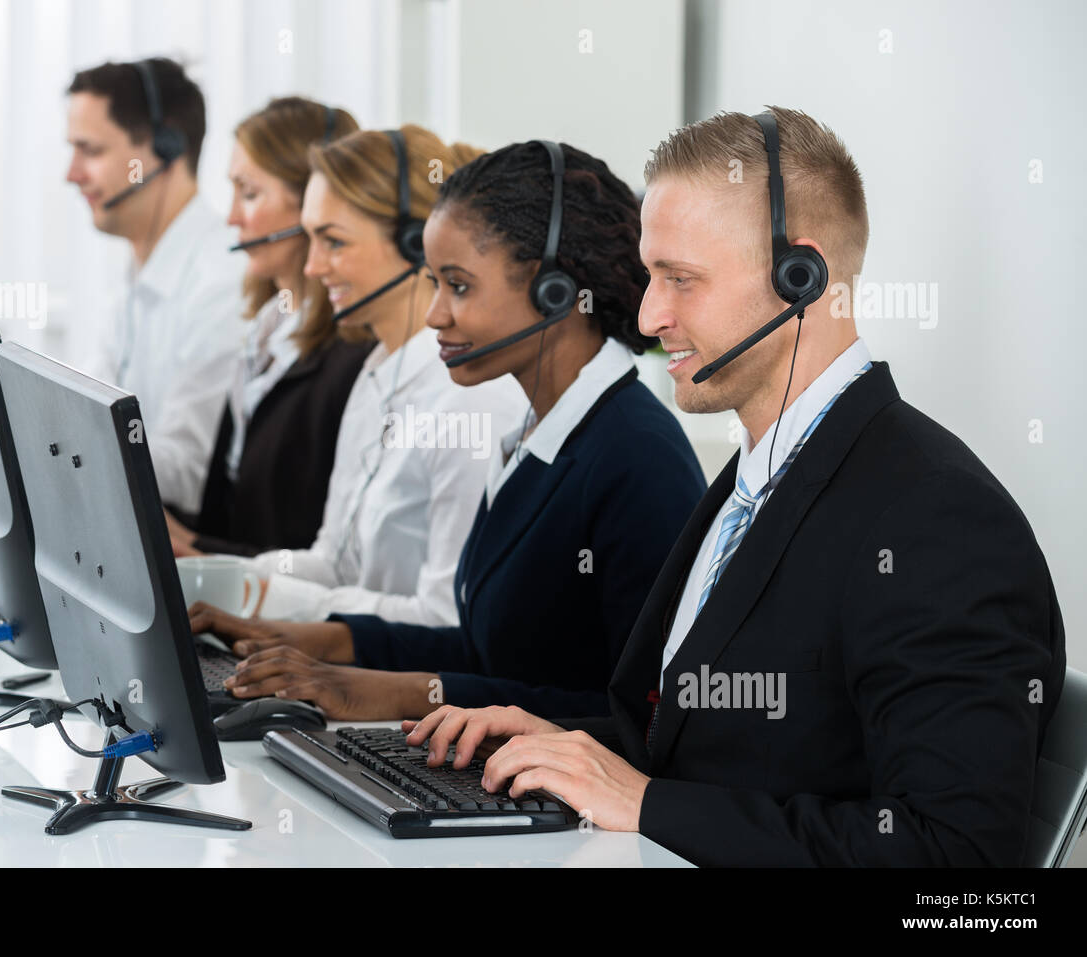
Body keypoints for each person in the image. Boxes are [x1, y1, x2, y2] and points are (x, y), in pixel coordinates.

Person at [403, 107, 1066, 867]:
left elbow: (958, 859)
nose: (650, 316)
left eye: (680, 279)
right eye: (651, 276)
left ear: (800, 278)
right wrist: (570, 743)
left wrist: (644, 801)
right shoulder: (751, 481)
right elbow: (717, 751)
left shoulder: (938, 520)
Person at [188, 141, 705, 720]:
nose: (434, 314)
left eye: (458, 286)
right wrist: (316, 642)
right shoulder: (535, 436)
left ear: (554, 292)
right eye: (434, 282)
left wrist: (378, 693)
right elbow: (490, 654)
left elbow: (642, 720)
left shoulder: (637, 459)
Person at [196, 126, 525, 626]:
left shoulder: (469, 400)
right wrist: (220, 577)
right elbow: (335, 563)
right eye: (310, 239)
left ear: (417, 244)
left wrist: (270, 599)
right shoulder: (375, 374)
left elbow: (444, 617)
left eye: (333, 242)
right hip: (353, 666)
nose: (311, 267)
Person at [164, 97, 374, 557]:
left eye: (250, 193)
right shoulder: (264, 329)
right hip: (226, 608)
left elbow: (312, 549)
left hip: (281, 615)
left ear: (314, 204)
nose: (233, 217)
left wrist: (196, 550)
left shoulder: (353, 357)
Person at [65, 57, 242, 514]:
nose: (73, 173)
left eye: (92, 151)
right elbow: (87, 405)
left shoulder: (223, 277)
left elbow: (183, 473)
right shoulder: (132, 277)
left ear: (163, 148)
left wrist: (63, 445)